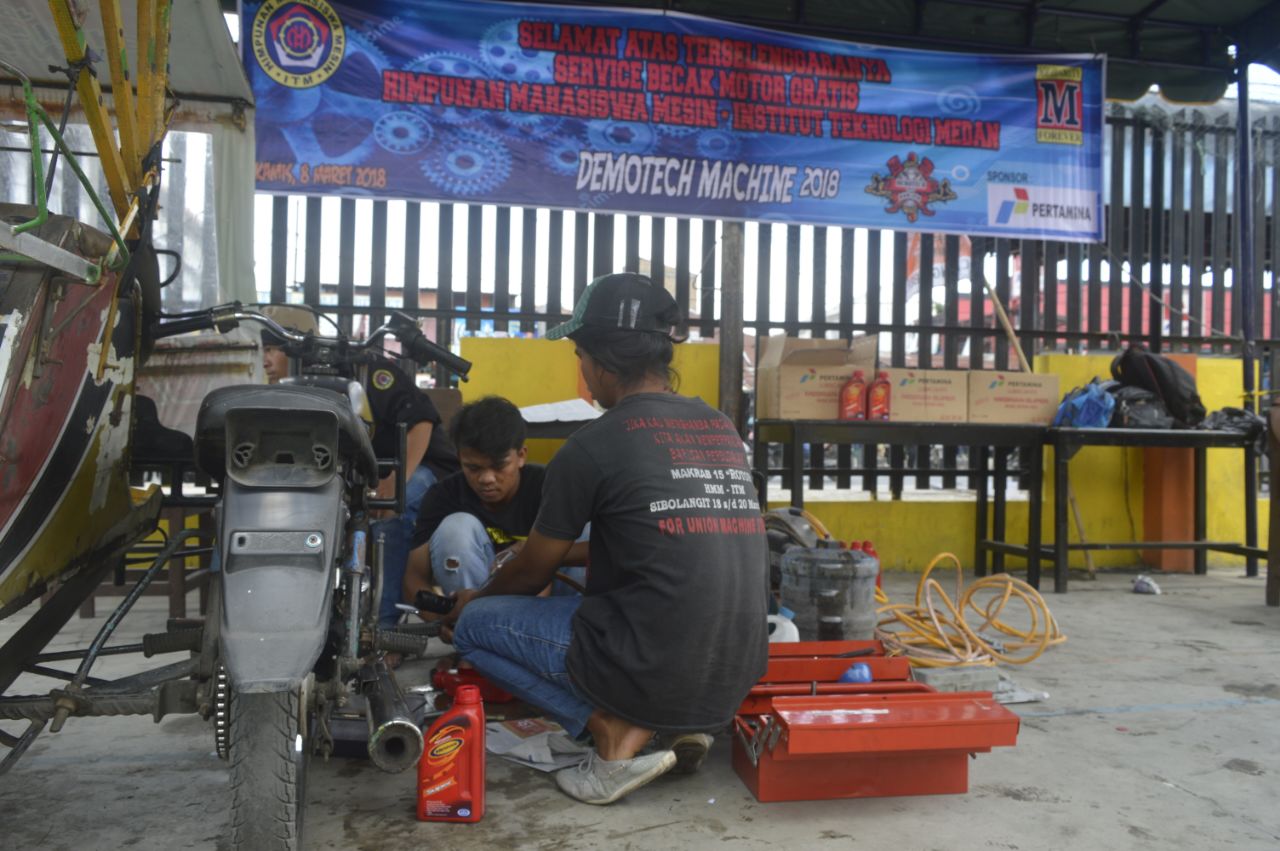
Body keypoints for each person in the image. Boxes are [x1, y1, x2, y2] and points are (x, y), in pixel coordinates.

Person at [439, 272, 769, 805]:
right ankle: (667, 725)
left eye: (579, 354)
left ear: (602, 360)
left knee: (476, 629)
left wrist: (475, 597)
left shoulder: (594, 444)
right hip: (736, 668)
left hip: (655, 661)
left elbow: (533, 573)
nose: (581, 369)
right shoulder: (720, 426)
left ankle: (611, 732)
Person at [260, 322, 458, 628]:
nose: (265, 360)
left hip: (421, 468)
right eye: (264, 350)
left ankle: (384, 625)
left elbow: (421, 422)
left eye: (272, 350)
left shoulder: (369, 371)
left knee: (392, 508)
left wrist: (397, 479)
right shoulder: (292, 390)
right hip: (363, 476)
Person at [402, 395, 586, 600]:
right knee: (455, 528)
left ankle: (576, 626)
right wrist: (441, 620)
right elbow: (413, 579)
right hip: (473, 612)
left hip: (547, 613)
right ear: (459, 458)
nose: (486, 478)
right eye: (473, 467)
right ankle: (468, 621)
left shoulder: (549, 488)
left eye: (499, 466)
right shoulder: (443, 496)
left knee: (582, 528)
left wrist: (529, 553)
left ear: (521, 456)